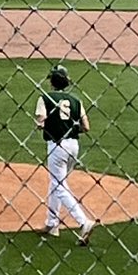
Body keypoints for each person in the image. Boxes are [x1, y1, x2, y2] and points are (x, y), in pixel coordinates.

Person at [34, 66, 96, 244]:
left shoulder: (45, 98)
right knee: (57, 183)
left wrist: (44, 125)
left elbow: (40, 121)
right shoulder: (76, 100)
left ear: (52, 82)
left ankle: (83, 222)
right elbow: (86, 127)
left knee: (59, 185)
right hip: (74, 146)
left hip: (57, 146)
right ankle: (52, 224)